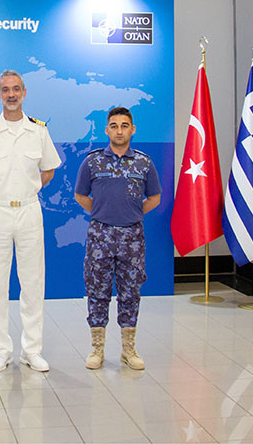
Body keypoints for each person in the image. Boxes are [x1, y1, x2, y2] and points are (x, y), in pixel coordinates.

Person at [0, 70, 61, 373]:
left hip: (29, 211)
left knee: (33, 282)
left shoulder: (38, 131)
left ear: (24, 92)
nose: (11, 95)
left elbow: (48, 170)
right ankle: (1, 351)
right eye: (5, 90)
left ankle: (32, 350)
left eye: (16, 89)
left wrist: (29, 190)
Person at [73, 107, 160, 371]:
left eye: (124, 126)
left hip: (132, 236)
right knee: (97, 291)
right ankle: (97, 350)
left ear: (132, 130)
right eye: (114, 126)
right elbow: (80, 195)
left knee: (130, 292)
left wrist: (133, 214)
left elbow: (154, 197)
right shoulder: (93, 162)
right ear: (107, 130)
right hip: (100, 235)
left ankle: (128, 350)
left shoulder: (144, 163)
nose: (119, 131)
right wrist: (102, 213)